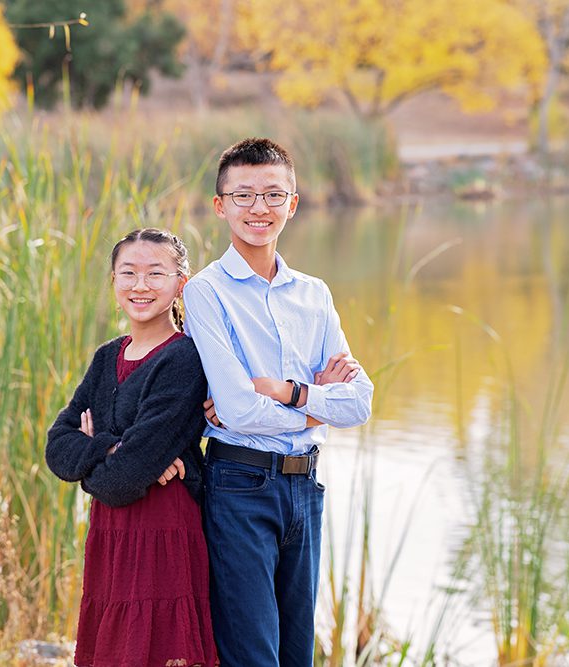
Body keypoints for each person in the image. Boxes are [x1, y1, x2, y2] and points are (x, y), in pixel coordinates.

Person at [182, 138, 374, 667]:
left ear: (293, 203)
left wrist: (286, 391)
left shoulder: (314, 293)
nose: (259, 209)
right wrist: (317, 402)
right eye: (243, 196)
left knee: (297, 655)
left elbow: (358, 402)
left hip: (305, 487)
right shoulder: (207, 291)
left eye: (273, 195)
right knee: (253, 655)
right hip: (240, 486)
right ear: (220, 206)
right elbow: (239, 411)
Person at [45, 228, 218, 667]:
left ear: (181, 282)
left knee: (160, 651)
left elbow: (123, 481)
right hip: (110, 532)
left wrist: (103, 451)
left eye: (155, 273)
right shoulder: (108, 356)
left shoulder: (184, 358)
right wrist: (112, 448)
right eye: (129, 273)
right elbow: (57, 447)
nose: (140, 285)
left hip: (163, 529)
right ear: (113, 281)